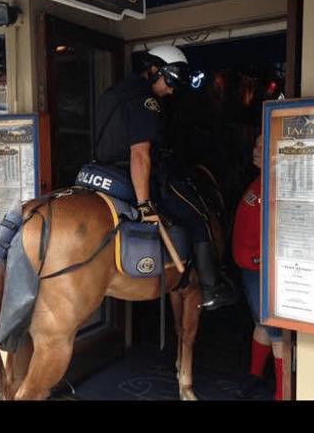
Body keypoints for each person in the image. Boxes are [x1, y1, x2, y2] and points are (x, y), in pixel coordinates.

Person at [93, 44, 235, 311]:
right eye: (170, 82)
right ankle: (210, 289)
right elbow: (140, 155)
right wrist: (145, 204)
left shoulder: (117, 92)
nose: (170, 91)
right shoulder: (146, 100)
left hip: (102, 169)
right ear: (155, 69)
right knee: (198, 215)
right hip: (131, 172)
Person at [232, 134, 284, 400]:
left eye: (264, 145)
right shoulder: (260, 181)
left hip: (265, 269)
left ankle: (282, 391)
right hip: (250, 267)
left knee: (274, 328)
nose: (256, 149)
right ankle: (255, 374)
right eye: (256, 143)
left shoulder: (280, 185)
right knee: (261, 322)